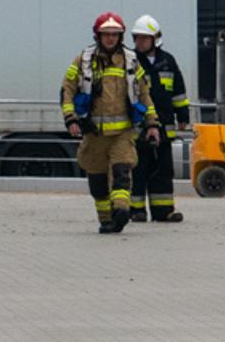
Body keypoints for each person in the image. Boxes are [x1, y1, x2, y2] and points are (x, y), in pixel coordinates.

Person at [60, 12, 159, 234]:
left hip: (122, 134)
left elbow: (144, 94)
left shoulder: (131, 60)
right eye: (106, 34)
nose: (111, 38)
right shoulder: (83, 60)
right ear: (98, 35)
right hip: (93, 134)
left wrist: (152, 124)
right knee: (97, 179)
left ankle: (122, 211)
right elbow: (67, 89)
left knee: (122, 171)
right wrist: (71, 118)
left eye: (115, 34)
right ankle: (106, 219)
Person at [128, 14, 189, 223]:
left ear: (156, 38)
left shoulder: (167, 61)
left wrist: (183, 115)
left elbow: (179, 92)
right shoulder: (131, 61)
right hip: (138, 127)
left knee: (163, 170)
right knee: (138, 169)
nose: (139, 42)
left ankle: (164, 211)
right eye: (137, 38)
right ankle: (136, 211)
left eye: (144, 38)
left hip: (164, 126)